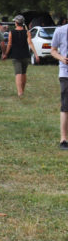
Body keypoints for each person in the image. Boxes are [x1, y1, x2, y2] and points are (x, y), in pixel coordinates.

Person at [2, 14, 34, 97]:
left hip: (16, 55)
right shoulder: (27, 32)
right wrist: (36, 54)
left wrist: (5, 54)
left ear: (16, 23)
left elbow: (9, 44)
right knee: (23, 73)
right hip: (25, 55)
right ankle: (22, 90)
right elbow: (30, 43)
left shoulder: (11, 32)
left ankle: (20, 93)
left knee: (18, 74)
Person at [50, 18, 68, 149]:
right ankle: (63, 139)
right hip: (65, 74)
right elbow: (53, 50)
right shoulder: (60, 31)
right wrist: (62, 58)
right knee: (65, 106)